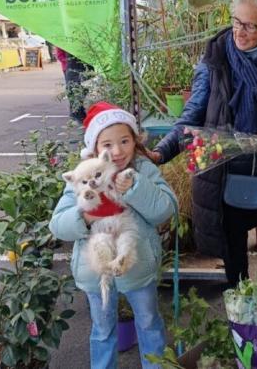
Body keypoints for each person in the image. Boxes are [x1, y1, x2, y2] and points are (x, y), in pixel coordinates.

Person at [148, 0, 257, 288]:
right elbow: (191, 118)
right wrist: (161, 152)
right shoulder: (215, 58)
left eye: (250, 25)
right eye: (236, 21)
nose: (240, 31)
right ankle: (241, 322)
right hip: (222, 172)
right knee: (234, 263)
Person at [49, 101, 177, 369]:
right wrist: (84, 217)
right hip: (96, 271)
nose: (117, 151)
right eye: (107, 144)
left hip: (137, 264)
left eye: (124, 141)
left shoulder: (142, 169)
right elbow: (58, 224)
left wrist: (135, 188)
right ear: (95, 148)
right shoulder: (83, 175)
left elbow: (165, 209)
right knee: (103, 330)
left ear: (135, 140)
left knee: (149, 324)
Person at [56, 47, 90, 122]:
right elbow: (60, 55)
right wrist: (67, 62)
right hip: (69, 67)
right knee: (72, 89)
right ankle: (75, 112)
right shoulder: (63, 42)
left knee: (82, 89)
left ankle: (78, 111)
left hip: (80, 67)